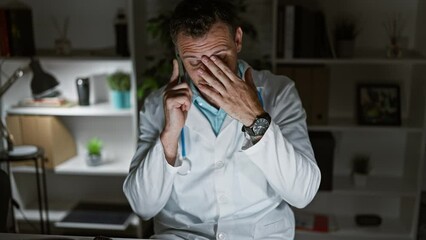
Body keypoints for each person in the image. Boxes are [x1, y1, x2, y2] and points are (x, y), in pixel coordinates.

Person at [123, 0, 321, 239]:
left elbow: (303, 193)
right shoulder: (157, 105)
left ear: (237, 40)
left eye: (219, 56)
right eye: (195, 62)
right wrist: (169, 137)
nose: (208, 73)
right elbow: (142, 206)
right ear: (178, 54)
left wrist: (254, 117)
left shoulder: (279, 92)